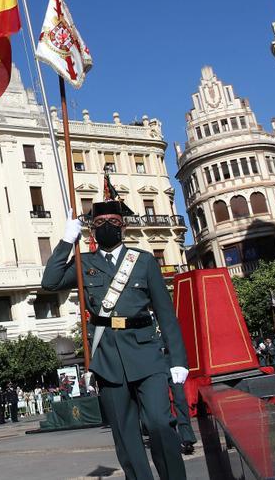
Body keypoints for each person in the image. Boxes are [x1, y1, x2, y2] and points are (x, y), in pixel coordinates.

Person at [42, 198, 189, 480]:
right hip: (108, 358)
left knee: (159, 424)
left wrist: (177, 360)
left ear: (122, 227)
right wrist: (65, 240)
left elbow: (166, 314)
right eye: (99, 223)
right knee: (126, 436)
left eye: (113, 222)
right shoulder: (84, 263)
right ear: (91, 231)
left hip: (147, 353)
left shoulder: (143, 261)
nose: (107, 226)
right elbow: (50, 281)